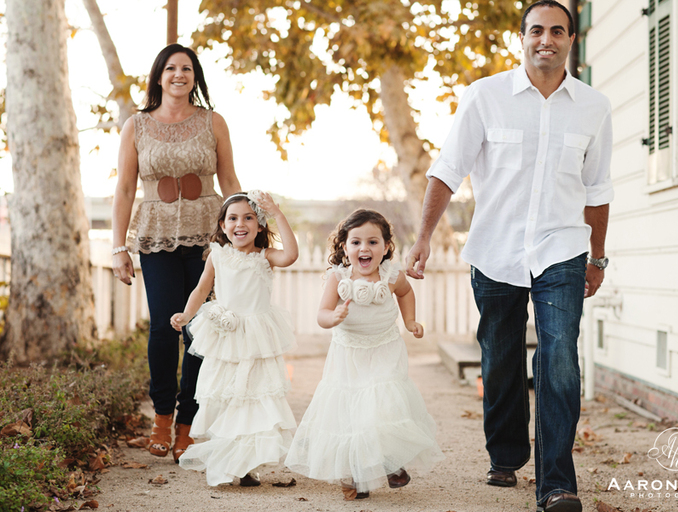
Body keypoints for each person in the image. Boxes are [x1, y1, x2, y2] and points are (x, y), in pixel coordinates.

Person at [406, 2, 613, 511]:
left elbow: (598, 189)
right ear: (521, 38)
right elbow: (448, 169)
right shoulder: (485, 96)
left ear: (571, 40)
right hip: (495, 249)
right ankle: (505, 454)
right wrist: (424, 237)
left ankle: (558, 483)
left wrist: (598, 256)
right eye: (537, 30)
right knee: (499, 356)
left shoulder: (593, 106)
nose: (547, 39)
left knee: (559, 356)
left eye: (558, 31)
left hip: (562, 248)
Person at [111, 43, 242, 463]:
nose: (179, 75)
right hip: (157, 237)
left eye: (187, 68)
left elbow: (230, 180)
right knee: (164, 329)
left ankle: (188, 423)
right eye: (171, 68)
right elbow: (125, 189)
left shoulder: (213, 122)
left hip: (208, 240)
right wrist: (119, 247)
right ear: (159, 76)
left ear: (195, 77)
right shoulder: (136, 125)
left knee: (200, 331)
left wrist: (245, 234)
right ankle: (162, 417)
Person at [285, 209, 444, 500]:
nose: (364, 248)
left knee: (383, 406)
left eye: (373, 242)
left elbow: (406, 293)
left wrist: (410, 322)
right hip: (349, 356)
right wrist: (332, 317)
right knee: (351, 416)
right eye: (356, 242)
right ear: (344, 247)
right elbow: (321, 313)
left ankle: (389, 461)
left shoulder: (392, 275)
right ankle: (356, 477)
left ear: (385, 248)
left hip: (385, 349)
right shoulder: (338, 278)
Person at [170, 190, 299, 486]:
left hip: (256, 339)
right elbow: (201, 290)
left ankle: (247, 464)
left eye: (249, 217)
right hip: (226, 338)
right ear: (223, 225)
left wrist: (278, 213)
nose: (240, 224)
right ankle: (231, 460)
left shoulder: (265, 256)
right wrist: (186, 315)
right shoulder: (218, 255)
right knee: (227, 397)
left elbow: (291, 255)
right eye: (233, 218)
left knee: (254, 396)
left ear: (260, 225)